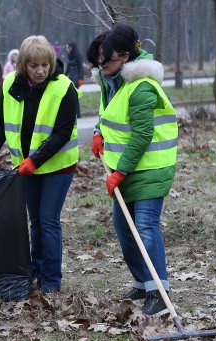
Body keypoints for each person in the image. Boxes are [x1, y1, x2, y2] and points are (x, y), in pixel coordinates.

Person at [86, 24, 178, 316]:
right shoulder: (112, 80)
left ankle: (159, 292)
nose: (102, 66)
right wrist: (100, 131)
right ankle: (143, 282)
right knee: (124, 229)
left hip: (150, 169)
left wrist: (119, 172)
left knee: (146, 228)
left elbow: (141, 135)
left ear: (125, 57)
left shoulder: (142, 87)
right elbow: (110, 113)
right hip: (126, 170)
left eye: (107, 60)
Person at [0, 35, 81, 294]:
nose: (40, 71)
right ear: (23, 64)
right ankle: (35, 271)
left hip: (57, 166)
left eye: (45, 65)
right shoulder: (11, 85)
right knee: (35, 221)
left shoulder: (64, 88)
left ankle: (51, 281)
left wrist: (34, 161)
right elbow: (1, 122)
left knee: (48, 221)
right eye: (34, 65)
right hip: (27, 166)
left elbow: (61, 133)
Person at [64, 42, 85, 117]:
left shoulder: (78, 56)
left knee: (75, 96)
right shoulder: (70, 56)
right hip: (71, 79)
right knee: (71, 96)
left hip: (76, 79)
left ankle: (78, 114)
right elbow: (68, 68)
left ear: (71, 48)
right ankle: (74, 113)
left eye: (68, 47)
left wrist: (81, 79)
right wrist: (63, 76)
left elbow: (81, 68)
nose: (67, 49)